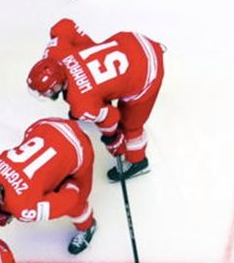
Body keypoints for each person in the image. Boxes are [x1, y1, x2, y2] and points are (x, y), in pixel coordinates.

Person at [27, 18, 166, 182]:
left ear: (57, 86)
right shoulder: (55, 52)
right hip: (133, 42)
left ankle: (137, 161)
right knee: (96, 103)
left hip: (148, 70)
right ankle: (101, 96)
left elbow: (112, 117)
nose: (46, 95)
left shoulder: (81, 104)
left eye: (48, 91)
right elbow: (64, 25)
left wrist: (113, 139)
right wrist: (88, 48)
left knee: (131, 125)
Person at [0, 117, 97, 254]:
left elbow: (70, 200)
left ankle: (87, 226)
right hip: (49, 126)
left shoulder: (23, 208)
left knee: (79, 200)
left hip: (79, 149)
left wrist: (68, 184)